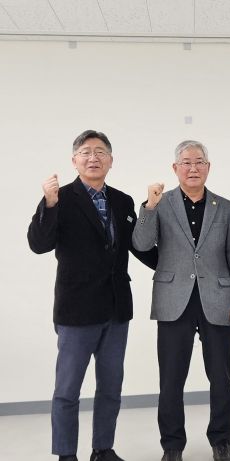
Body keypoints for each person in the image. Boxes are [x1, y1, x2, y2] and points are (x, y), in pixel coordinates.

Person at [27, 130, 158, 461]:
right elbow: (39, 244)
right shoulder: (60, 199)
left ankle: (103, 449)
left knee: (111, 387)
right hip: (76, 312)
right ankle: (66, 454)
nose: (93, 157)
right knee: (67, 391)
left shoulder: (123, 201)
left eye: (100, 152)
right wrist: (49, 203)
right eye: (85, 152)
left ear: (111, 161)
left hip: (116, 310)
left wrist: (183, 262)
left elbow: (141, 248)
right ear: (74, 161)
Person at [132, 140, 230, 461]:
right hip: (173, 301)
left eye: (199, 162)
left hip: (218, 300)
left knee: (221, 378)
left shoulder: (225, 208)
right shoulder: (161, 203)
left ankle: (221, 441)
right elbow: (141, 244)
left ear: (208, 167)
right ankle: (172, 446)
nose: (193, 168)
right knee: (171, 379)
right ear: (175, 168)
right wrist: (149, 207)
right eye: (186, 162)